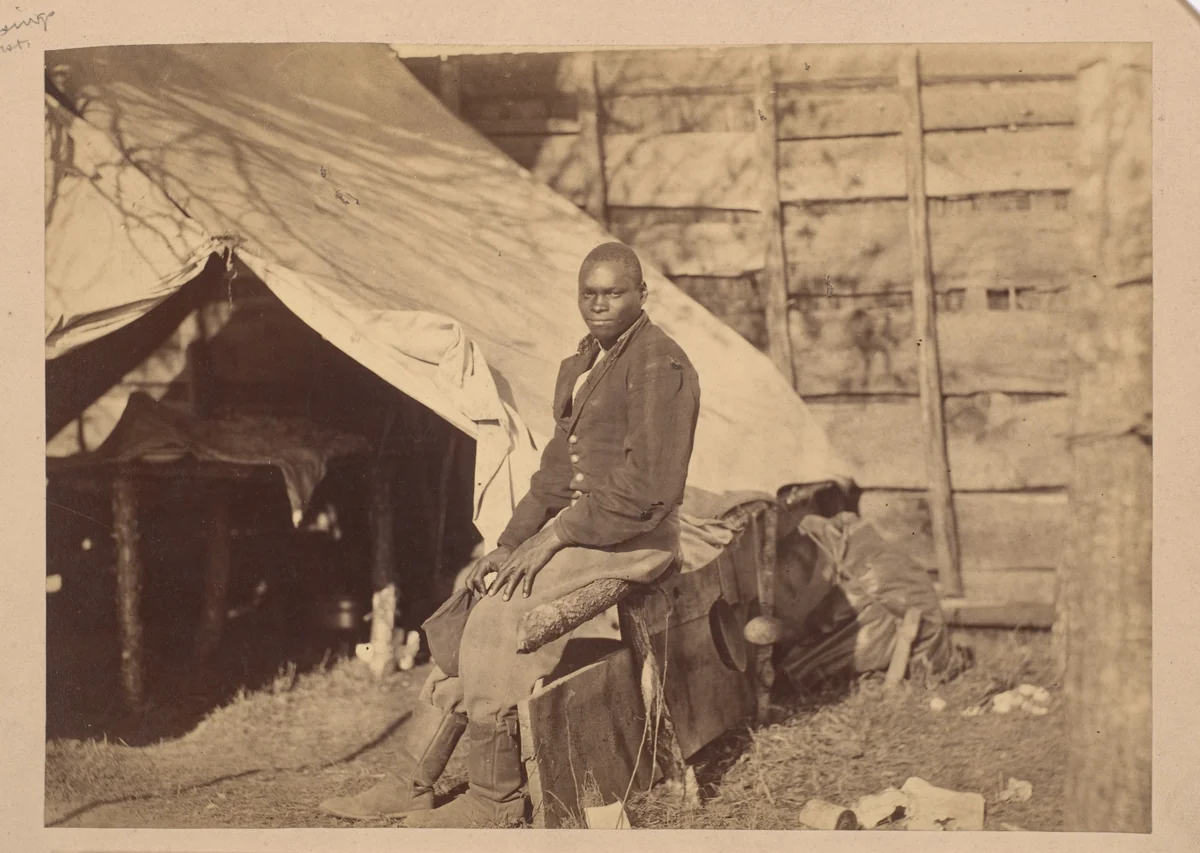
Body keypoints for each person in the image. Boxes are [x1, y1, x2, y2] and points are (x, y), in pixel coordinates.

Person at [318, 242, 701, 827]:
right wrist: (507, 542)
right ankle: (411, 781)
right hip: (585, 531)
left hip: (636, 538)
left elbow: (650, 488)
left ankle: (493, 801)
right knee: (472, 598)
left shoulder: (660, 365)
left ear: (642, 295)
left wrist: (551, 540)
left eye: (614, 292)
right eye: (588, 293)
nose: (599, 304)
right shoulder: (583, 363)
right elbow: (552, 474)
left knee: (502, 618)